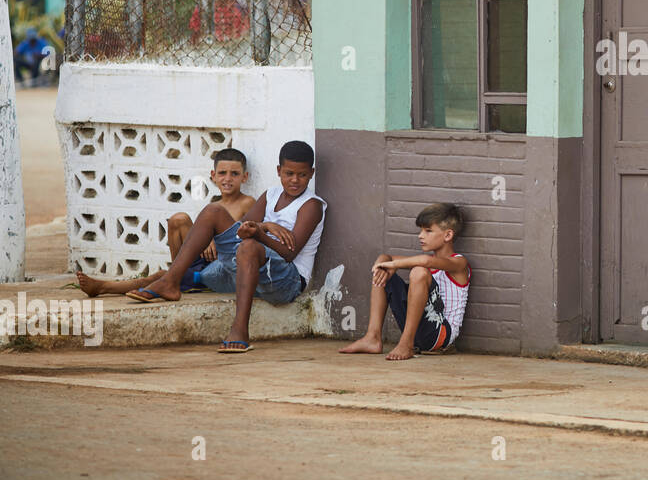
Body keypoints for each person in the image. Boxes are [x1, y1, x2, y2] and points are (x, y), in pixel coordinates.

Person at [126, 140, 326, 355]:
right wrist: (265, 226)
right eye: (288, 173)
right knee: (214, 212)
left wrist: (259, 233)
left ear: (312, 173)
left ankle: (240, 331)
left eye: (302, 175)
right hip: (250, 264)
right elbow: (242, 231)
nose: (294, 180)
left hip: (287, 280)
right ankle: (170, 281)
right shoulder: (271, 195)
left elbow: (289, 253)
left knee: (249, 247)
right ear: (278, 171)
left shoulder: (312, 205)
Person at [75, 147, 256, 299]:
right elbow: (203, 233)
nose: (228, 178)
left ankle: (104, 287)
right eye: (222, 173)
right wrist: (209, 239)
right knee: (179, 219)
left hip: (220, 267)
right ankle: (178, 273)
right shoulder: (213, 205)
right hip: (201, 261)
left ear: (244, 177)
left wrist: (215, 241)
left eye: (235, 174)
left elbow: (244, 236)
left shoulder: (247, 203)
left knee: (157, 277)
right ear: (213, 176)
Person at [339, 202, 470, 361]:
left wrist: (394, 264)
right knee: (385, 272)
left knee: (419, 271)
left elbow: (425, 262)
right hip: (420, 332)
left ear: (448, 235)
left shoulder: (459, 263)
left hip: (440, 335)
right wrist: (381, 265)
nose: (420, 235)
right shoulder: (426, 260)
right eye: (420, 230)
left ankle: (406, 343)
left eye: (428, 231)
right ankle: (372, 337)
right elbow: (386, 258)